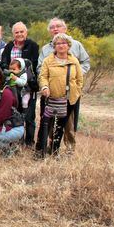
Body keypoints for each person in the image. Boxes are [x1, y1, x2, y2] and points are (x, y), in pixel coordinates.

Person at [37, 18, 90, 151]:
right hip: (51, 94)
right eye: (52, 27)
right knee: (49, 123)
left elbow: (85, 64)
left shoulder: (76, 45)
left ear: (65, 29)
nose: (55, 29)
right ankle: (50, 147)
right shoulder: (46, 49)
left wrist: (73, 81)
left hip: (70, 95)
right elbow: (40, 70)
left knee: (69, 124)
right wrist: (46, 84)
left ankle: (69, 150)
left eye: (58, 26)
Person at [0, 21, 39, 146]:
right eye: (16, 32)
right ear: (13, 34)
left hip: (28, 87)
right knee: (15, 115)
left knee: (29, 117)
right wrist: (9, 73)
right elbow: (3, 63)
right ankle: (17, 141)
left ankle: (29, 143)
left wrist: (29, 81)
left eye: (22, 31)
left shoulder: (33, 46)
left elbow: (34, 65)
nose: (19, 34)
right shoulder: (9, 46)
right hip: (13, 87)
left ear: (26, 32)